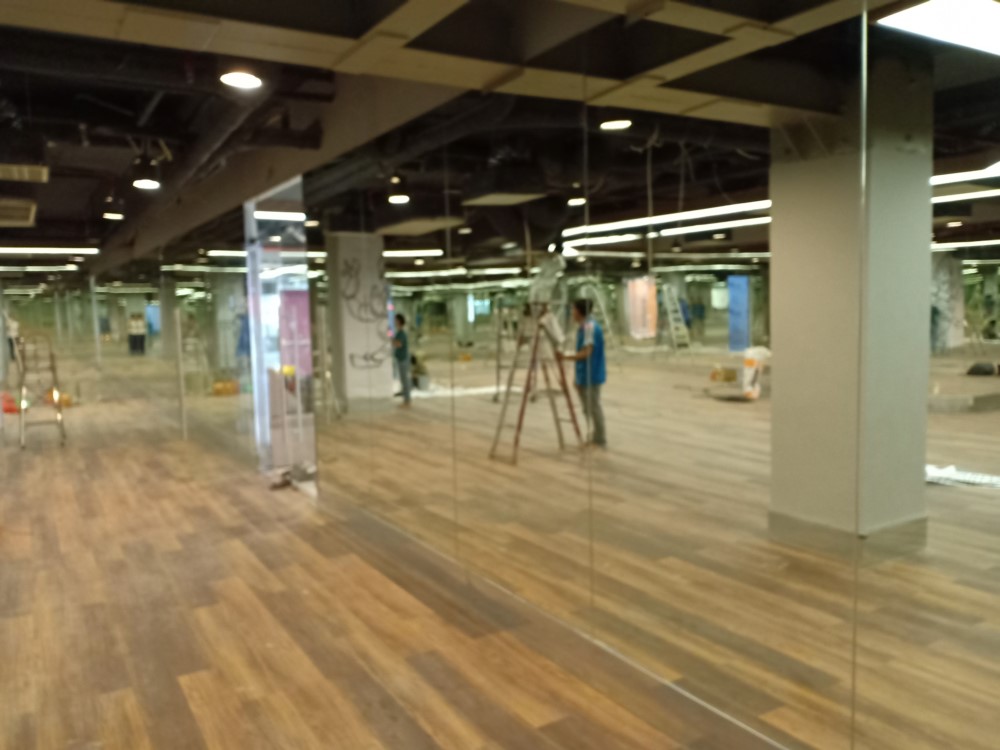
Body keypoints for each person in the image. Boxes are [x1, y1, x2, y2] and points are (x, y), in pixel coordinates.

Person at [559, 299, 607, 447]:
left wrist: (565, 356)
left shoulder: (589, 327)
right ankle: (594, 434)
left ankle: (599, 437)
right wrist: (577, 378)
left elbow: (586, 352)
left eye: (573, 310)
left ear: (579, 311)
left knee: (593, 407)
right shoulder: (583, 327)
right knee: (587, 408)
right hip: (584, 374)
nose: (572, 313)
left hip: (592, 374)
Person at [393, 313, 411, 407]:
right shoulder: (399, 333)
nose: (394, 322)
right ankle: (406, 399)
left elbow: (399, 344)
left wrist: (393, 341)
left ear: (399, 321)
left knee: (405, 380)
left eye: (396, 320)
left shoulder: (402, 333)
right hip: (400, 358)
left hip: (403, 359)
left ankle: (407, 400)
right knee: (403, 379)